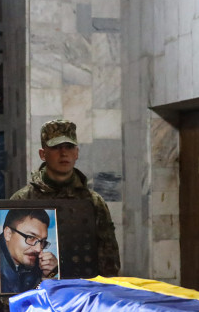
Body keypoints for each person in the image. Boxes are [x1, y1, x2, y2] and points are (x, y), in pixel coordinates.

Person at [10, 119, 120, 277]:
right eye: (56, 147)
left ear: (76, 153)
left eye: (69, 147)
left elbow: (109, 258)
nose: (63, 153)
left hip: (83, 288)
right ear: (43, 154)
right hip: (37, 288)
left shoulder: (92, 202)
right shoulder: (23, 199)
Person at [0, 208, 59, 293]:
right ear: (8, 234)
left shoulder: (38, 264)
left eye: (42, 241)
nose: (38, 249)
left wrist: (49, 276)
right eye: (31, 237)